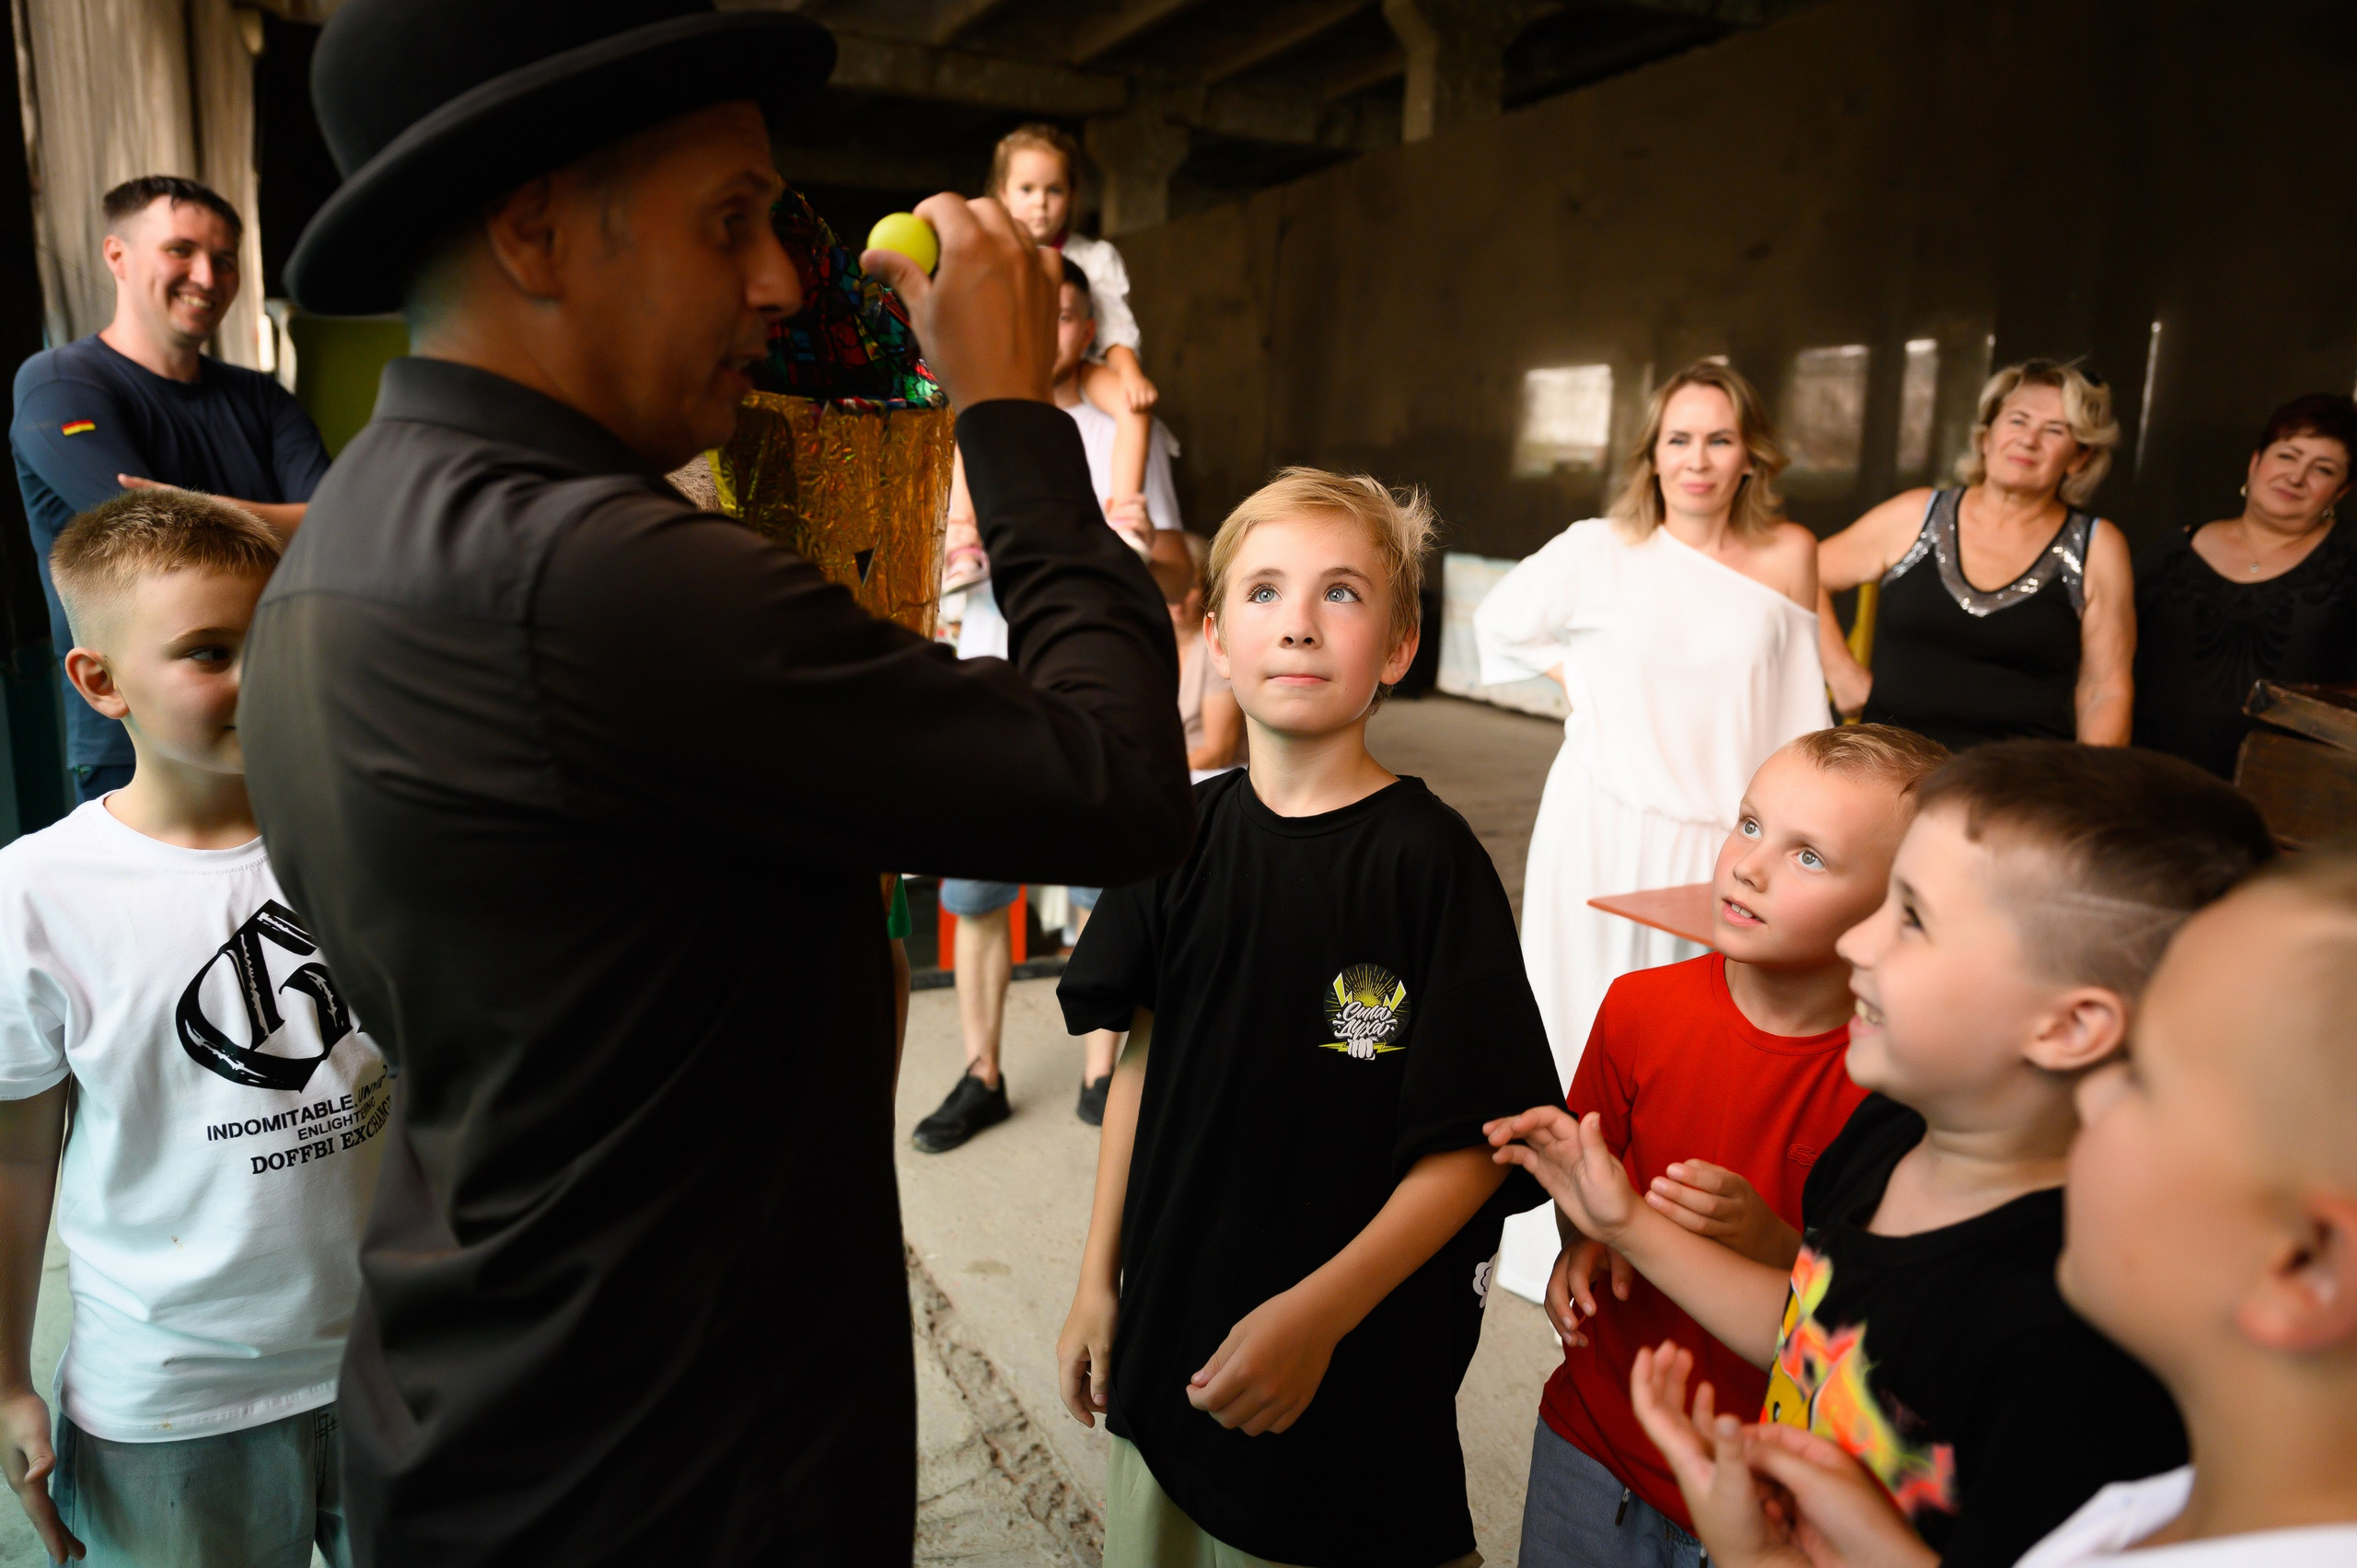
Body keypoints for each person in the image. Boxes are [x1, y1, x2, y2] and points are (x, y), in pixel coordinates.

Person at [237, 3, 1193, 1564]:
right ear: (536, 228)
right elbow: (1116, 783)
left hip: (488, 1409)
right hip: (673, 1473)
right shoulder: (594, 577)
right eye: (732, 222)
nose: (773, 278)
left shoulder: (357, 535)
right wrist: (1014, 415)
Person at [1497, 741, 2275, 1568]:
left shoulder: (2074, 1326)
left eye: (1913, 918)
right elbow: (1818, 1329)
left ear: (2069, 1026)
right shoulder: (1891, 1136)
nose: (1860, 942)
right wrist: (1625, 1226)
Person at [1055, 468, 1562, 1568]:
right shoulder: (1175, 834)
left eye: (1340, 592)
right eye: (1264, 591)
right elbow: (1137, 1063)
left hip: (1347, 1355)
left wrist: (1318, 1314)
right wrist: (1101, 1281)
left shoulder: (1429, 866)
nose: (1296, 621)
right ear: (1215, 639)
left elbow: (1475, 1147)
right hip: (1178, 1325)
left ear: (1396, 645)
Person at [1625, 847, 2357, 1568]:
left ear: (2305, 1260)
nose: (2089, 1096)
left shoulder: (2079, 1391)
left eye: (2142, 1082)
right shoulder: (2155, 1510)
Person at [0, 490, 384, 1568]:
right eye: (211, 651)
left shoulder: (371, 831)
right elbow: (18, 1154)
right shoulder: (37, 896)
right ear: (101, 680)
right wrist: (5, 1379)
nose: (259, 679)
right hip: (170, 1402)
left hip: (395, 1361)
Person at [1520, 725, 1946, 1568]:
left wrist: (1776, 1242)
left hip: (1775, 1488)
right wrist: (1583, 1244)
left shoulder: (1900, 1087)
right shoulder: (1640, 1007)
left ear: (1894, 909)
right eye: (1749, 825)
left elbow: (1875, 1318)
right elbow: (1588, 1177)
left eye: (1810, 856)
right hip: (1597, 1437)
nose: (1748, 865)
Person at [1473, 359, 1826, 1300]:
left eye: (1718, 437)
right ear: (1652, 452)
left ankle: (1667, 1242)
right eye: (1679, 438)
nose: (1698, 459)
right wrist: (1583, 688)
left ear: (1749, 452)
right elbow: (1498, 623)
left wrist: (1783, 839)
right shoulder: (1599, 548)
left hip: (1714, 837)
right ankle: (1549, 1243)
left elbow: (1800, 718)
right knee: (1578, 1015)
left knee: (1692, 1035)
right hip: (1599, 818)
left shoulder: (1788, 553)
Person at [912, 255, 1190, 1152]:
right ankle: (982, 1069)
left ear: (1083, 325)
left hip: (1092, 696)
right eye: (1040, 315)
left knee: (1101, 896)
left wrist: (1133, 557)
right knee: (976, 892)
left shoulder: (1118, 430)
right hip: (991, 691)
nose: (1053, 333)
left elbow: (1181, 567)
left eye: (1068, 316)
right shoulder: (966, 427)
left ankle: (1099, 1066)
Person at [10, 176, 331, 803]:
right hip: (136, 741)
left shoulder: (262, 396)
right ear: (117, 256)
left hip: (286, 709)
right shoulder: (60, 384)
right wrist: (301, 522)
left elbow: (348, 525)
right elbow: (158, 539)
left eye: (225, 260)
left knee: (286, 902)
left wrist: (192, 508)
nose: (207, 278)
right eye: (181, 250)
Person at [1816, 359, 2135, 749]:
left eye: (2054, 430)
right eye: (2017, 420)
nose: (2028, 440)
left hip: (2017, 787)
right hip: (1890, 768)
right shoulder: (1914, 514)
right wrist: (1841, 672)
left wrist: (2091, 792)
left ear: (2079, 458)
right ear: (1986, 437)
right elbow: (1805, 573)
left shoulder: (2098, 545)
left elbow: (2106, 689)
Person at [2133, 393, 2357, 777]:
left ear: (2340, 492)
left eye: (2323, 469)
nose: (2296, 477)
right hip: (2148, 785)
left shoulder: (2350, 561)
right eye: (2287, 456)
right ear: (2255, 463)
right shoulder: (2169, 554)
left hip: (2292, 804)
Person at [993, 122, 1161, 508]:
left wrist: (1131, 374)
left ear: (1071, 196)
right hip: (1011, 368)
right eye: (1027, 189)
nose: (1041, 203)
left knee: (1133, 405)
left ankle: (1125, 512)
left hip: (1075, 366)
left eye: (1054, 190)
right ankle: (963, 534)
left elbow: (1115, 325)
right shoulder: (994, 260)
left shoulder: (1094, 257)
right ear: (1003, 194)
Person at [1173, 529, 1243, 782]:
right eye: (1171, 584)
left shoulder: (1214, 648)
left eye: (1189, 585)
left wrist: (1150, 776)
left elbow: (1219, 751)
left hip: (1211, 777)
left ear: (1207, 590)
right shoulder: (1151, 648)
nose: (1178, 596)